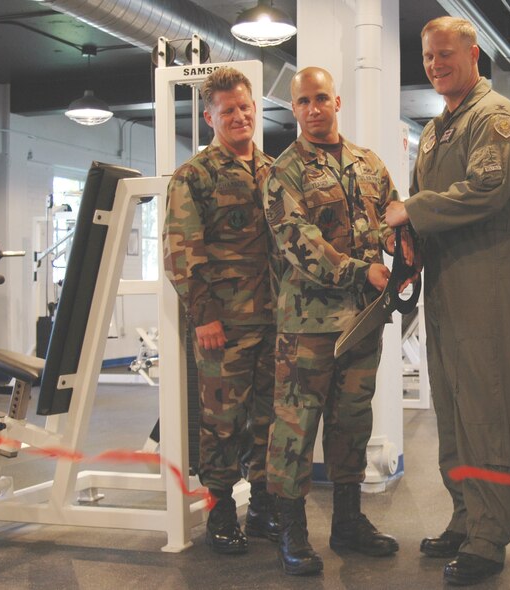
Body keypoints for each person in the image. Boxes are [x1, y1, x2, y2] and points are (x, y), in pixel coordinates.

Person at [384, 16, 510, 586]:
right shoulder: (436, 127)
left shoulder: (493, 119)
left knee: (486, 408)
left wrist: (412, 212)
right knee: (450, 404)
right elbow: (427, 195)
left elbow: (488, 190)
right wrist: (411, 238)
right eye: (427, 57)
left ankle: (490, 536)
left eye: (445, 54)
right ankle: (466, 515)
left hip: (486, 280)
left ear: (474, 54)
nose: (435, 65)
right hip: (445, 282)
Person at [261, 66, 400, 576]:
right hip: (307, 326)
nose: (314, 109)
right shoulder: (285, 172)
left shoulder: (369, 163)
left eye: (322, 98)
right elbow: (299, 243)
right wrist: (364, 269)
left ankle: (347, 522)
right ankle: (292, 531)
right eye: (303, 102)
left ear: (337, 102)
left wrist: (405, 249)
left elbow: (393, 215)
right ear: (294, 109)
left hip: (363, 321)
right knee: (295, 429)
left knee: (352, 421)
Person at [163, 66, 280, 555]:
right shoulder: (195, 175)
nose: (239, 116)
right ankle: (221, 509)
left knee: (270, 419)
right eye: (228, 110)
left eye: (245, 107)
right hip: (224, 325)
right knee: (222, 421)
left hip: (275, 318)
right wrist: (204, 313)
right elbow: (179, 252)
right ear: (210, 116)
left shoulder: (273, 169)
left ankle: (264, 507)